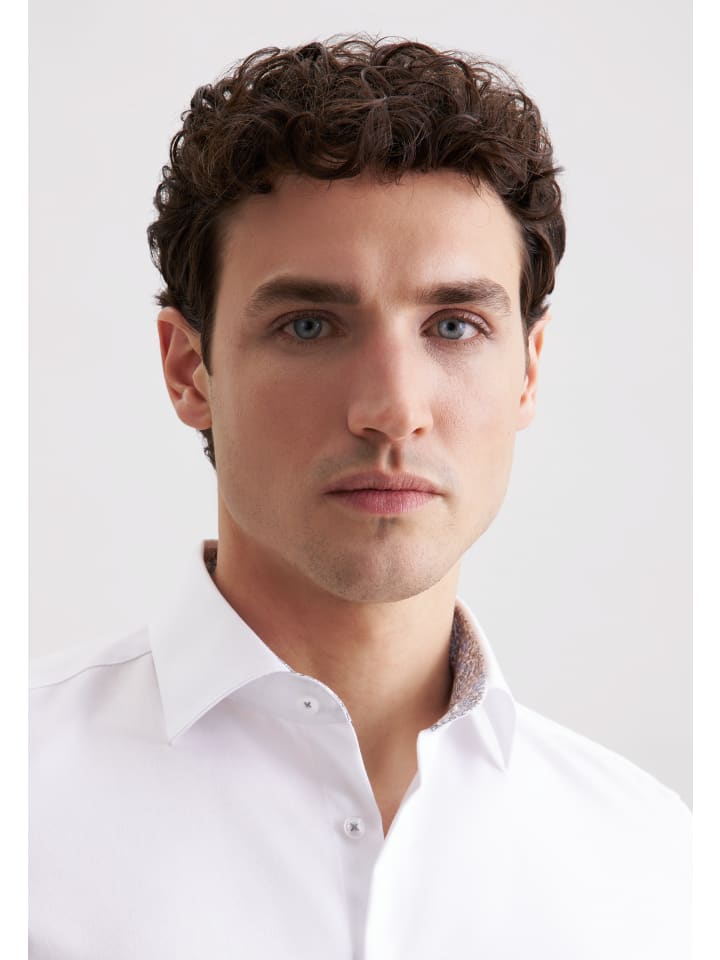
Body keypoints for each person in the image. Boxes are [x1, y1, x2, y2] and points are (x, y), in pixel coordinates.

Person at [29, 35, 690, 959]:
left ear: (529, 371)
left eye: (454, 326)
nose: (391, 409)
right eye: (309, 325)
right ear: (189, 370)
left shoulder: (655, 870)